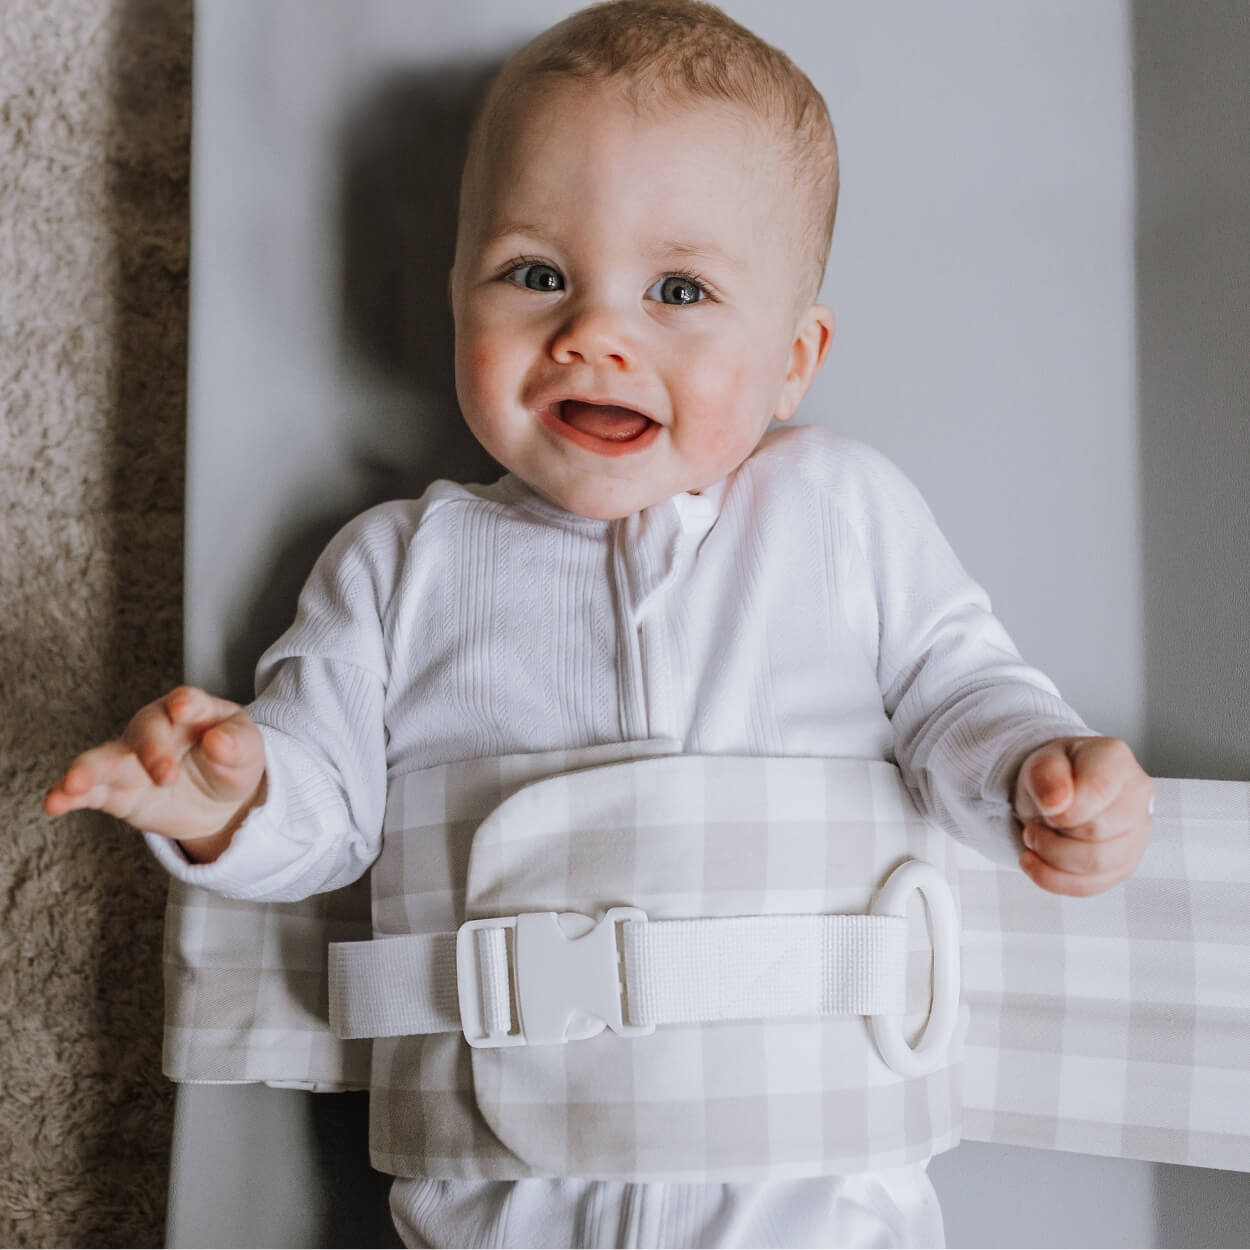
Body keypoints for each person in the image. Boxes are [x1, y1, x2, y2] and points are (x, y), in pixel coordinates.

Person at [46, 1, 1153, 1245]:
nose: (594, 334)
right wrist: (228, 800)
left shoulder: (838, 510)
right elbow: (325, 812)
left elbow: (959, 690)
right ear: (457, 292)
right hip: (502, 1204)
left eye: (677, 288)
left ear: (795, 358)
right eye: (535, 274)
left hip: (812, 1200)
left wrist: (1031, 770)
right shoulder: (402, 562)